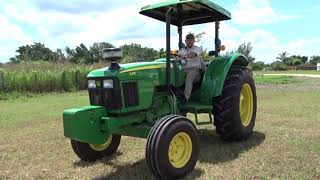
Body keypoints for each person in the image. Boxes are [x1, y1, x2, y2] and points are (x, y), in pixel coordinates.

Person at [178, 33, 202, 102]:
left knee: (189, 78)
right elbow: (178, 58)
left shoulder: (197, 49)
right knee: (174, 77)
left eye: (191, 39)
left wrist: (184, 56)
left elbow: (193, 54)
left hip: (195, 69)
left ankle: (185, 99)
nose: (189, 41)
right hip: (183, 69)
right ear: (185, 41)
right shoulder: (182, 50)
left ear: (194, 41)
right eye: (188, 40)